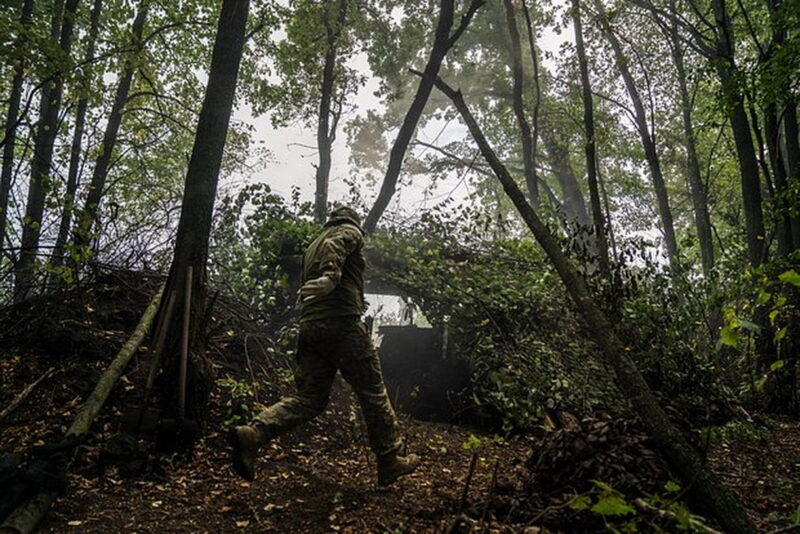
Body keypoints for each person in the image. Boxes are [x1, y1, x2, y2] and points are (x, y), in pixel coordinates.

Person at [229, 206, 419, 486]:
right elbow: (336, 245)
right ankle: (390, 460)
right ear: (352, 221)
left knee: (310, 398)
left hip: (311, 328)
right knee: (373, 392)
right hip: (341, 328)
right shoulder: (347, 231)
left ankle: (255, 433)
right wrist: (331, 278)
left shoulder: (311, 246)